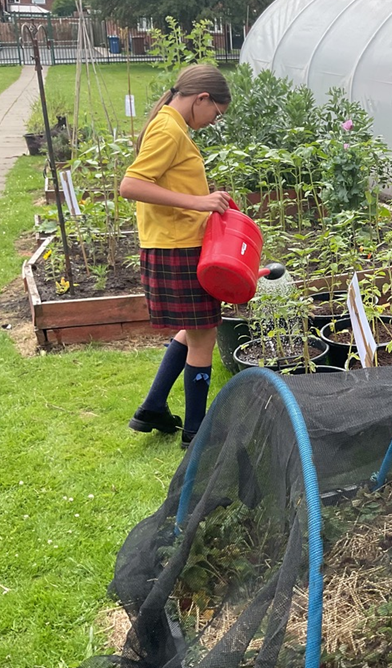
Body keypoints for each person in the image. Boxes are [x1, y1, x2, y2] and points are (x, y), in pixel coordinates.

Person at [120, 64, 232, 448]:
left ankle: (152, 408)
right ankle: (196, 434)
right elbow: (131, 185)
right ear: (202, 98)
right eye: (216, 112)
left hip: (174, 243)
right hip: (178, 247)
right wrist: (200, 202)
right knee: (204, 337)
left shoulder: (172, 125)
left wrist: (205, 201)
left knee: (192, 329)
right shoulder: (169, 129)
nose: (214, 120)